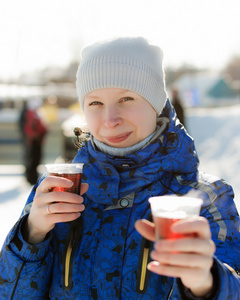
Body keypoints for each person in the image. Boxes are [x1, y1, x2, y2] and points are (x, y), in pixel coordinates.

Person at [1, 37, 240, 299]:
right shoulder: (55, 191)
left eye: (126, 98)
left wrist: (207, 282)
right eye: (95, 103)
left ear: (156, 103)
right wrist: (31, 235)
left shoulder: (208, 198)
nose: (110, 119)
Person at [18, 98, 48, 185]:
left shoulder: (38, 113)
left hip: (37, 141)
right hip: (30, 141)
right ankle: (30, 178)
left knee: (36, 159)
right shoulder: (27, 113)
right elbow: (24, 128)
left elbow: (43, 127)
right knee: (30, 159)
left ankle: (33, 177)